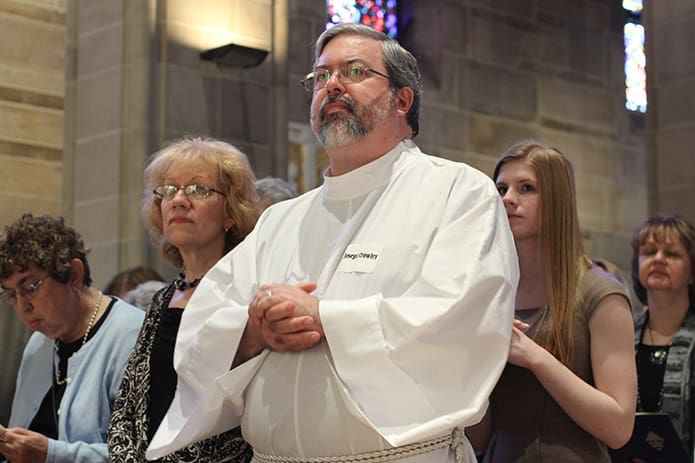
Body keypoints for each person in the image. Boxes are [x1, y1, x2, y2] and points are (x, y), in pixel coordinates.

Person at [147, 23, 518, 463]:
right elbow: (202, 324)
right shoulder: (280, 221)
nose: (332, 85)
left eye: (355, 71)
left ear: (402, 100)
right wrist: (251, 333)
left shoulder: (458, 192)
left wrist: (322, 318)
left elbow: (462, 318)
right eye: (321, 77)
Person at [469, 141, 636, 462]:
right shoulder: (489, 294)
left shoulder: (600, 295)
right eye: (501, 188)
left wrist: (535, 357)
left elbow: (618, 428)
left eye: (527, 188)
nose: (508, 199)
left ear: (558, 200)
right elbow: (481, 434)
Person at [107, 137, 257, 462]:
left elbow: (235, 415)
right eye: (169, 189)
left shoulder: (245, 293)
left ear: (231, 212)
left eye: (198, 189)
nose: (178, 200)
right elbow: (129, 406)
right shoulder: (162, 299)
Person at [0, 213, 145, 463]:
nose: (23, 307)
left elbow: (141, 454)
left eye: (30, 287)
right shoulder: (38, 344)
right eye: (12, 294)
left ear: (74, 275)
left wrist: (51, 455)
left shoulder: (132, 335)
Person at [630, 214, 695, 458]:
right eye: (649, 252)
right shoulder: (625, 336)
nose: (658, 259)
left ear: (692, 273)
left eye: (672, 254)